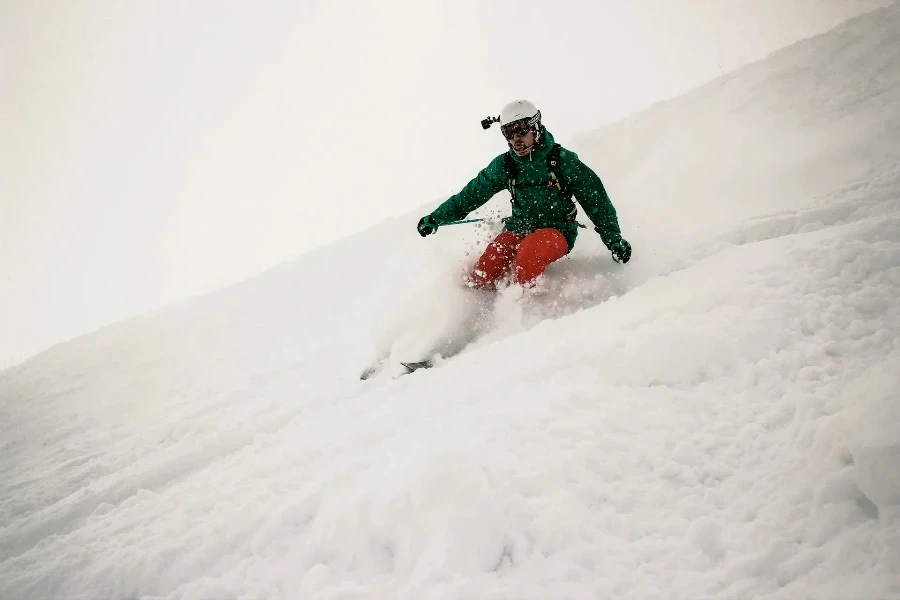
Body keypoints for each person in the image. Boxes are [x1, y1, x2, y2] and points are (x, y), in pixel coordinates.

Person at [417, 100, 631, 291]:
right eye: (508, 133)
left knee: (529, 253)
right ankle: (480, 316)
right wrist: (437, 217)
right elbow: (471, 195)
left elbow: (595, 200)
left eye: (520, 131)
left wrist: (614, 240)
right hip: (519, 226)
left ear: (536, 128)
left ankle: (529, 315)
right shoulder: (506, 165)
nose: (515, 139)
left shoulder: (561, 160)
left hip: (558, 229)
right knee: (489, 265)